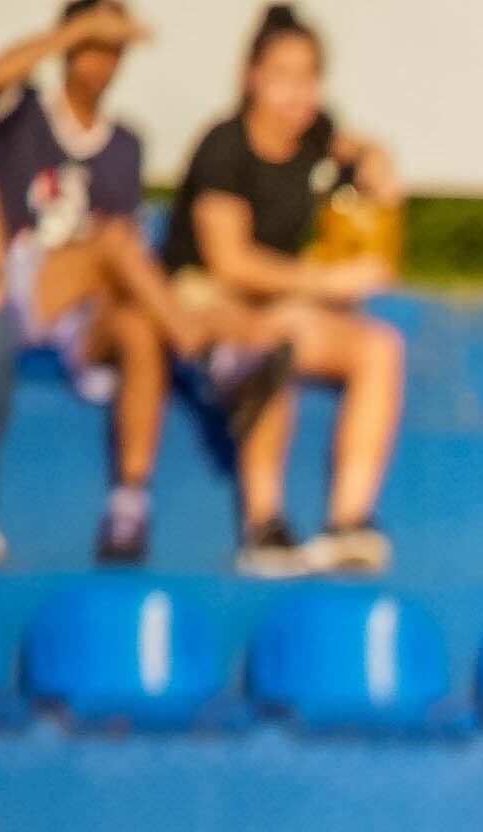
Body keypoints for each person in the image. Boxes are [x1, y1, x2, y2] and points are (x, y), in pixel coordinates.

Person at [158, 1, 398, 575]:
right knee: (270, 343)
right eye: (283, 76)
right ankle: (264, 525)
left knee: (379, 348)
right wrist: (324, 282)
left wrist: (377, 161)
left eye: (309, 77)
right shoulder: (224, 147)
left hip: (281, 306)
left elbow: (359, 153)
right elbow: (228, 263)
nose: (297, 92)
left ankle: (349, 522)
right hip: (204, 304)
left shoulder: (317, 136)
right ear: (252, 78)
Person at [0, 2, 197, 565]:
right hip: (19, 290)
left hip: (82, 313)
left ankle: (130, 501)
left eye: (113, 49)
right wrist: (76, 30)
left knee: (137, 328)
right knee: (113, 241)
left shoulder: (126, 143)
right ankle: (199, 348)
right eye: (92, 47)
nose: (102, 62)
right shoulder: (23, 113)